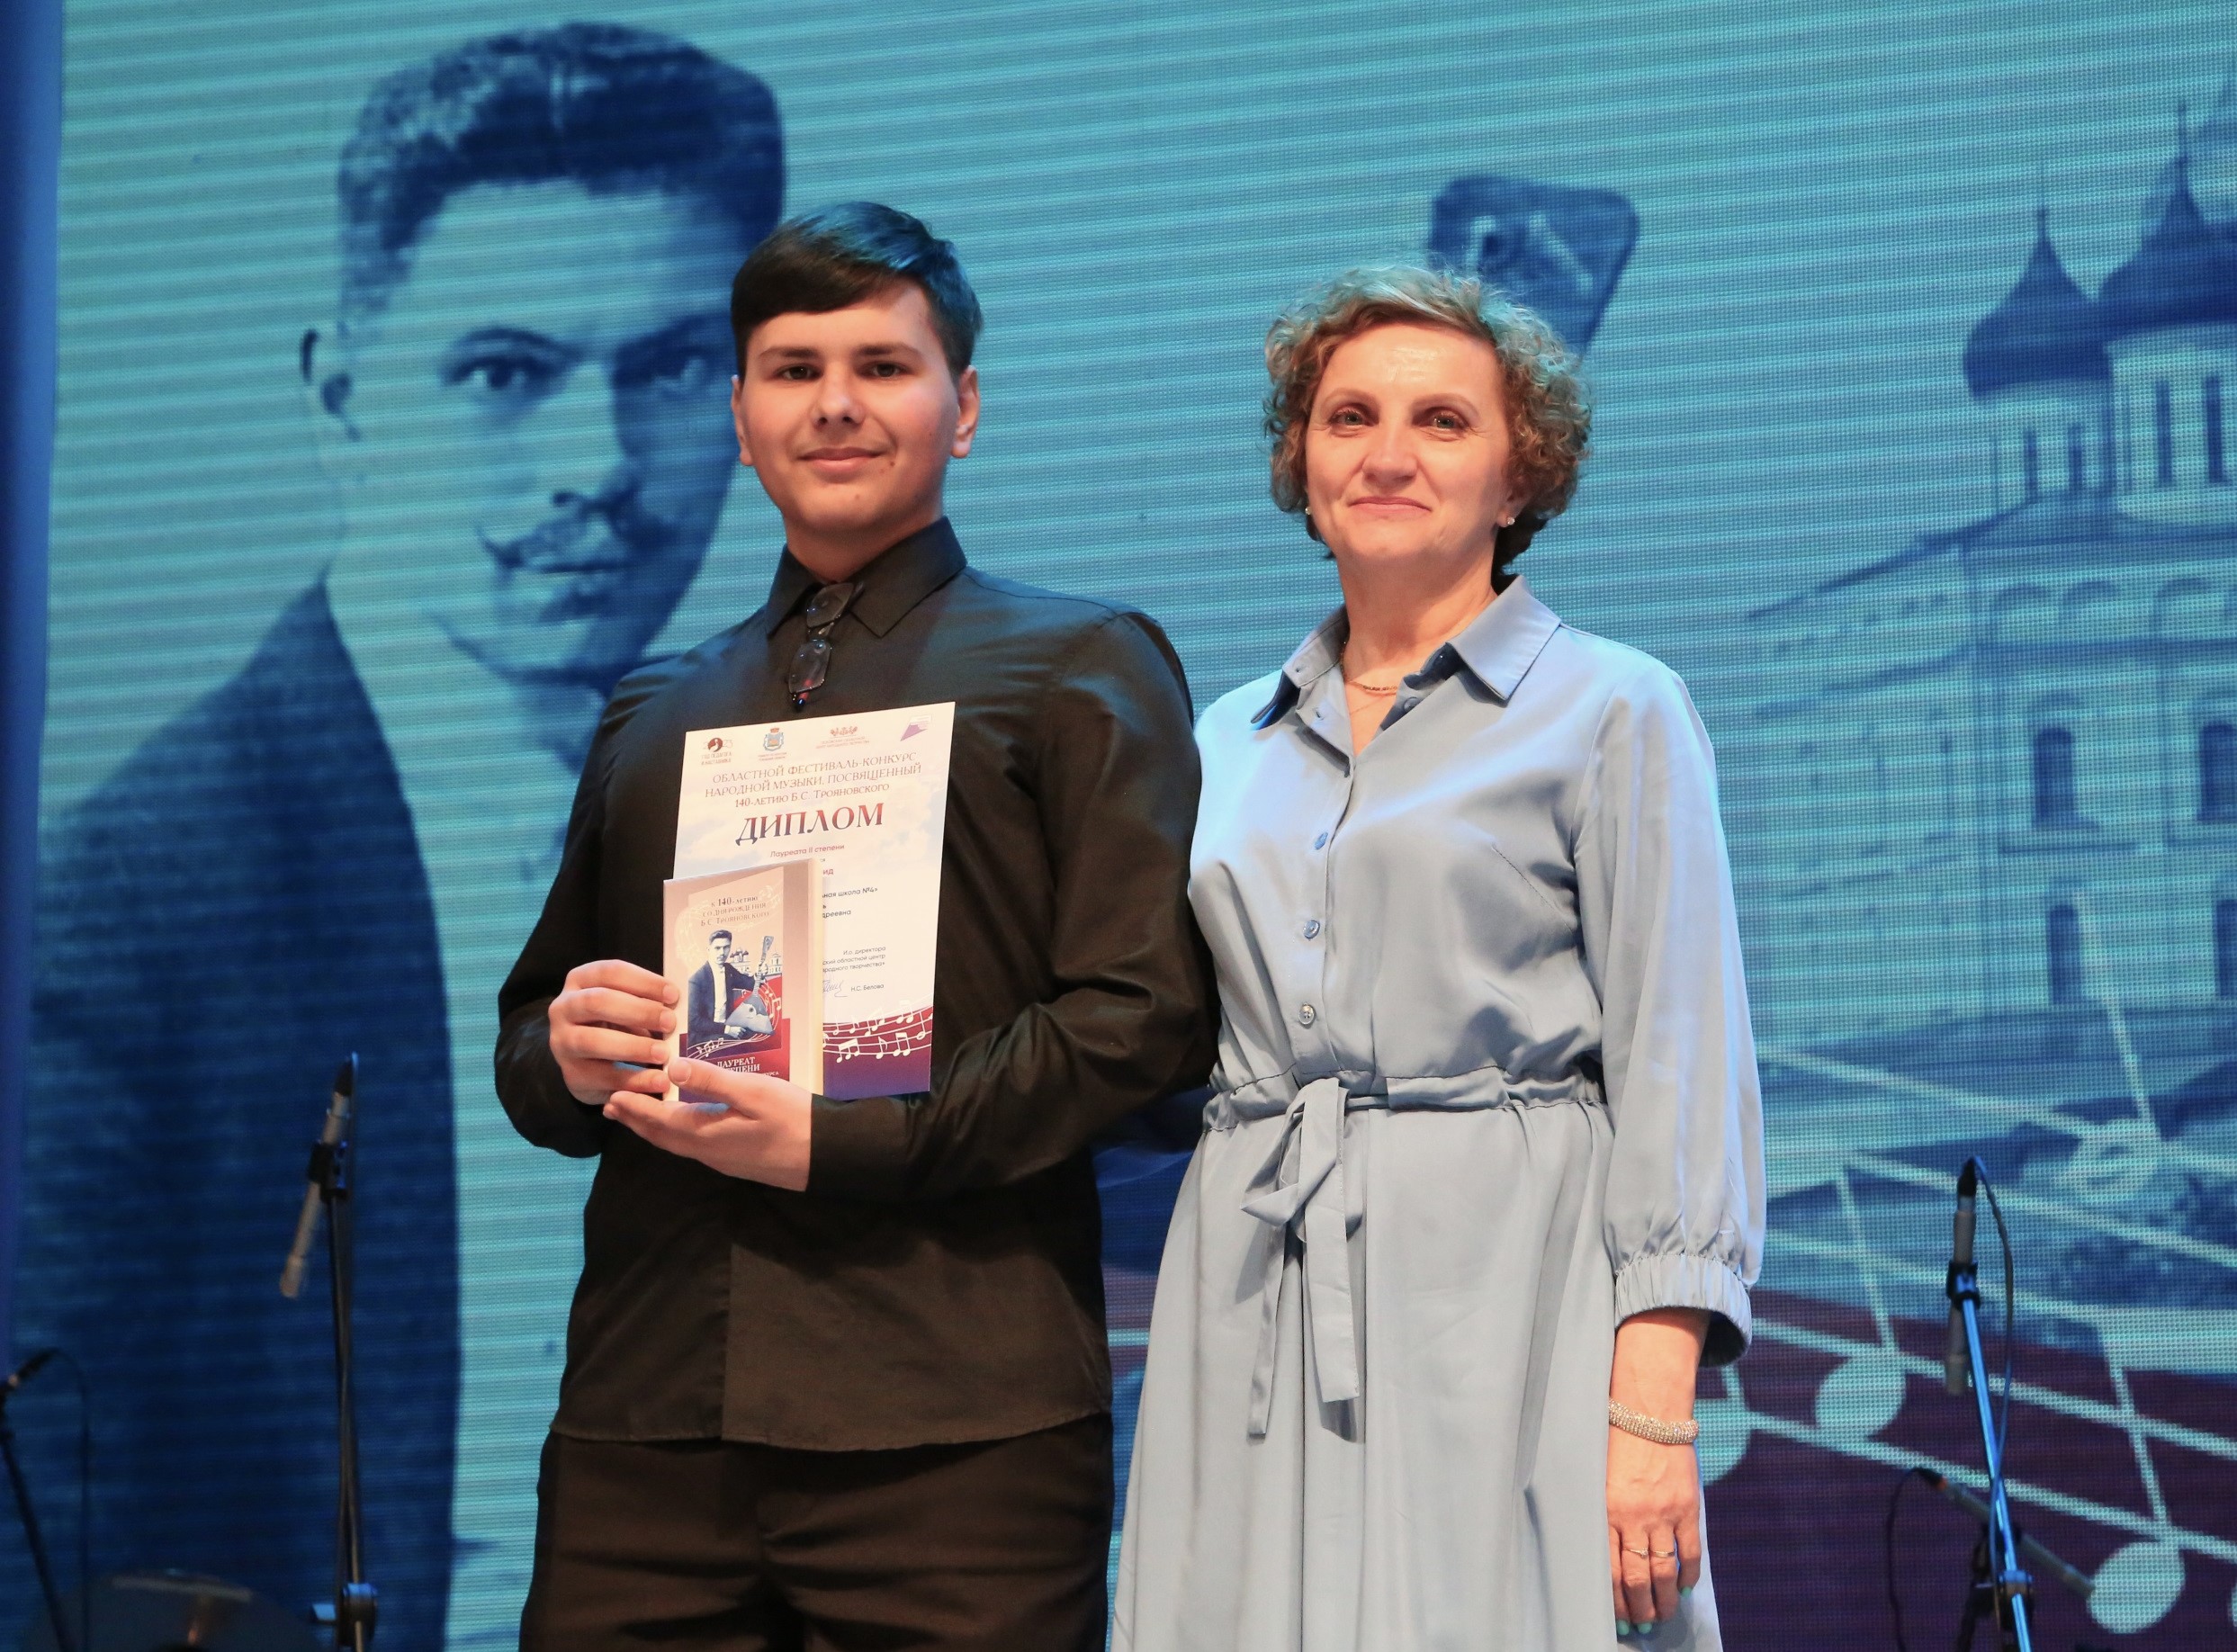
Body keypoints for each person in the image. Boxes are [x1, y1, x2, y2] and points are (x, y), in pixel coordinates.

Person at [15, 25, 781, 1646]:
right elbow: (59, 1494)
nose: (594, 469)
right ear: (341, 398)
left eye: (663, 371)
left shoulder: (766, 778)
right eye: (503, 373)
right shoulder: (127, 894)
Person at [496, 202, 1217, 1650]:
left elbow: (1140, 1021)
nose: (834, 404)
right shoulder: (653, 706)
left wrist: (848, 1142)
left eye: (882, 366)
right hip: (648, 1420)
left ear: (964, 407)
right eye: (792, 369)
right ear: (739, 418)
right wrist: (567, 1052)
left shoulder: (1078, 664)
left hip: (956, 1430)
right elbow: (534, 1039)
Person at [1113, 265, 1765, 1651]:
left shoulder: (1615, 707)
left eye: (1442, 421)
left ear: (1521, 474)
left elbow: (1679, 1058)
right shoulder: (1223, 738)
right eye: (1348, 417)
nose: (1387, 454)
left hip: (1510, 1285)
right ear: (1300, 464)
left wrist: (1651, 1414)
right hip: (1250, 1281)